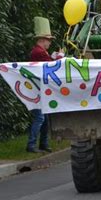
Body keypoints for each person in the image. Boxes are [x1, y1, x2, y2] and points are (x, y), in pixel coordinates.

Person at [27, 17, 63, 153]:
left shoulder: (40, 52)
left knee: (45, 118)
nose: (49, 43)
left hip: (40, 89)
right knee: (40, 117)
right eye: (48, 40)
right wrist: (59, 57)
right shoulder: (39, 52)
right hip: (38, 89)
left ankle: (43, 143)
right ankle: (31, 145)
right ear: (42, 40)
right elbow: (50, 65)